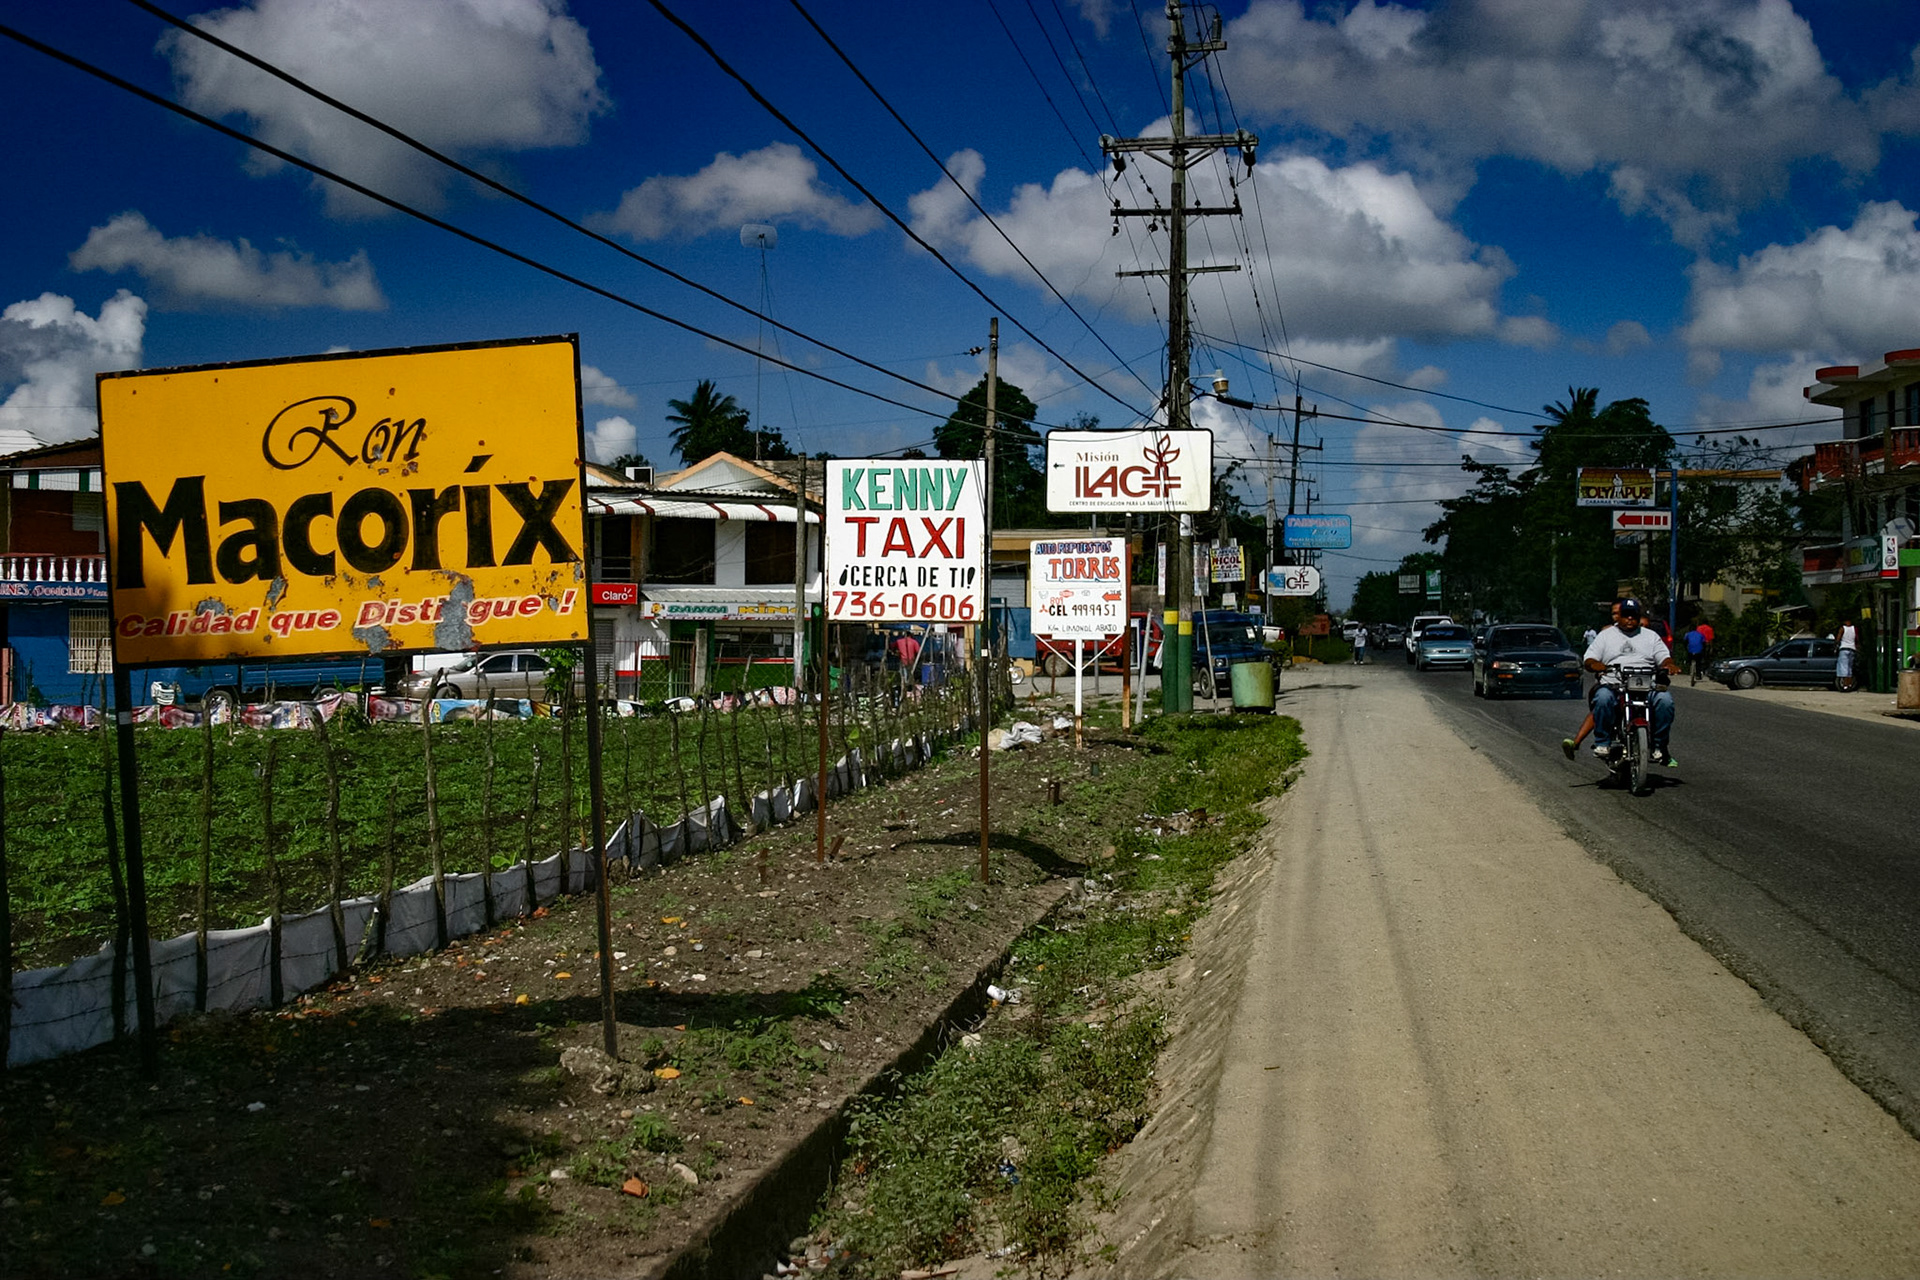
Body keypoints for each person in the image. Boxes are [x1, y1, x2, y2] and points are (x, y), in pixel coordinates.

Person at [1584, 598, 1679, 766]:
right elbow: (1590, 658)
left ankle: (1658, 745)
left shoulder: (1651, 637)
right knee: (1603, 698)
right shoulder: (1605, 636)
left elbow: (1663, 656)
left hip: (1646, 684)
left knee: (1665, 701)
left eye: (1633, 616)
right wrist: (1595, 664)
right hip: (1614, 683)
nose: (1629, 619)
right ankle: (1603, 742)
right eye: (1626, 615)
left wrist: (1669, 665)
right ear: (1619, 617)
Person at [1564, 601, 1622, 759]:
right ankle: (1577, 742)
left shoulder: (1642, 634)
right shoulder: (1606, 633)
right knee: (1601, 702)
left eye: (1620, 612)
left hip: (1636, 682)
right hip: (1612, 680)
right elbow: (1592, 658)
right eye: (1614, 613)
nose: (1617, 616)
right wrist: (1598, 667)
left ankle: (1660, 747)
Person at [1837, 616, 1858, 691]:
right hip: (1852, 648)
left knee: (1844, 667)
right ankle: (1849, 684)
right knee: (1849, 668)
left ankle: (1845, 685)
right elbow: (1857, 639)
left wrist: (1836, 644)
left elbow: (1838, 638)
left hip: (1844, 648)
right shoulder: (1854, 629)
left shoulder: (1843, 628)